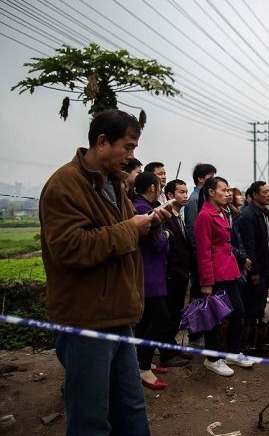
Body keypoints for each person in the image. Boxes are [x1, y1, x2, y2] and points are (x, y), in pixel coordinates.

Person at [40, 109, 170, 434]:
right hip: (86, 321)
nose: (131, 156)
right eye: (127, 147)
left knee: (131, 407)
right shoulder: (64, 185)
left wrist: (151, 227)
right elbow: (71, 248)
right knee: (90, 418)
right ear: (101, 142)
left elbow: (125, 237)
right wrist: (131, 229)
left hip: (117, 316)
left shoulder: (114, 185)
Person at [194, 176, 253, 376]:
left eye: (229, 190)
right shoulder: (204, 216)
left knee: (238, 311)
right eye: (224, 190)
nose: (228, 194)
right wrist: (207, 283)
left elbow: (226, 244)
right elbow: (203, 252)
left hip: (228, 271)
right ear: (211, 192)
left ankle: (233, 352)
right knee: (215, 317)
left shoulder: (222, 212)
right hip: (215, 274)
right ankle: (212, 359)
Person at [132, 172, 186, 390]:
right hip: (149, 273)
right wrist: (166, 236)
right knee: (160, 318)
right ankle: (143, 367)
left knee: (146, 321)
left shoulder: (144, 205)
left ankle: (141, 362)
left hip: (151, 273)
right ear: (152, 188)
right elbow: (156, 242)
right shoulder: (144, 209)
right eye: (159, 185)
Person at [238, 181, 269, 351]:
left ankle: (256, 341)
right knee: (251, 308)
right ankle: (247, 344)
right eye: (265, 192)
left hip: (265, 269)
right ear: (254, 195)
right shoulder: (247, 215)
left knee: (260, 307)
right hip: (256, 271)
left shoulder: (264, 213)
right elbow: (249, 246)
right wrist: (253, 271)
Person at [184, 163, 217, 346]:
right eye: (210, 175)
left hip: (204, 256)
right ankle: (195, 334)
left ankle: (199, 331)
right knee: (198, 294)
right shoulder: (195, 199)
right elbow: (192, 231)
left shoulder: (203, 197)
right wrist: (199, 256)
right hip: (199, 257)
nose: (212, 179)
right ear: (200, 178)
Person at [163, 179, 192, 363]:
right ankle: (167, 353)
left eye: (186, 191)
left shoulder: (178, 216)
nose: (185, 196)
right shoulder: (166, 217)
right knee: (170, 314)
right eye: (181, 192)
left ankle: (173, 349)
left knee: (176, 313)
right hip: (172, 274)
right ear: (170, 195)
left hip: (181, 273)